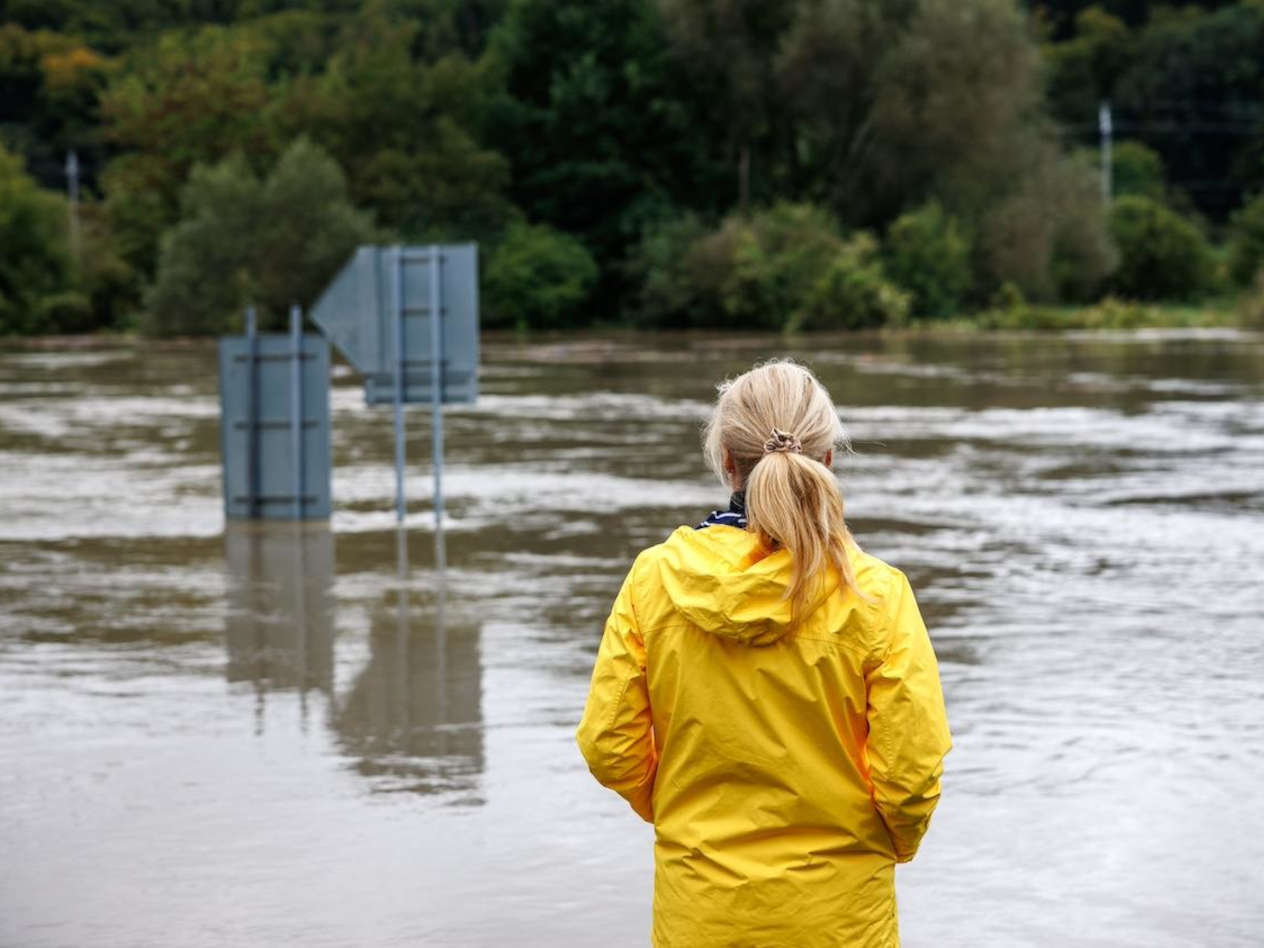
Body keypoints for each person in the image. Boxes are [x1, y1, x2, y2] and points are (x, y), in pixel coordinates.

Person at [576, 359, 952, 947]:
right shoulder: (876, 594)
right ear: (827, 460)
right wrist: (888, 843)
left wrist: (679, 813)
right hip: (840, 917)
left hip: (699, 910)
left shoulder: (654, 581)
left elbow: (608, 745)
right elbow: (911, 772)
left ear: (727, 461)